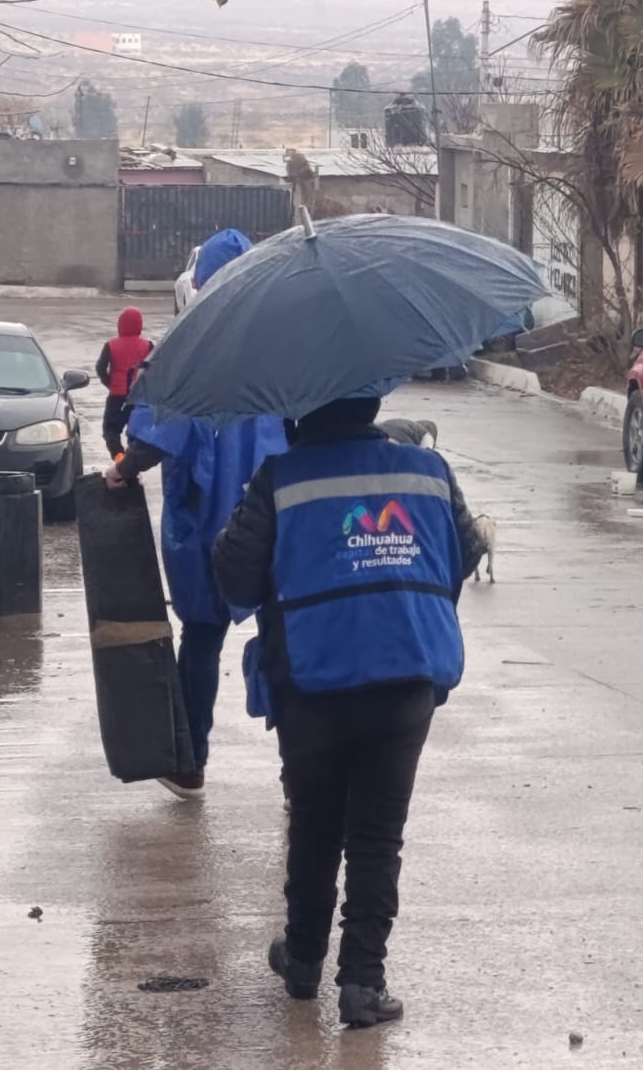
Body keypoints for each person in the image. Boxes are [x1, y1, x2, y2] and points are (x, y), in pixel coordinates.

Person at [211, 397, 473, 1029]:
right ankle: (362, 983)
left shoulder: (280, 479)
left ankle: (303, 961)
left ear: (298, 413)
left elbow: (236, 581)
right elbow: (463, 552)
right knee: (378, 837)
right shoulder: (427, 471)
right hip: (407, 669)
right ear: (373, 400)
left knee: (315, 823)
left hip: (313, 677)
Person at [105, 228, 287, 800]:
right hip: (277, 513)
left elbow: (160, 435)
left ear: (202, 282)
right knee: (285, 638)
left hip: (209, 521)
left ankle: (190, 763)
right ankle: (299, 773)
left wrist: (121, 470)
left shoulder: (190, 349)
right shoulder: (280, 350)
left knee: (203, 637)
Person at [96, 306, 152, 459]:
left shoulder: (111, 345)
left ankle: (119, 456)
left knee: (110, 430)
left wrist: (110, 383)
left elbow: (100, 368)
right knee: (138, 432)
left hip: (117, 396)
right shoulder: (148, 345)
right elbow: (154, 369)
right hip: (139, 398)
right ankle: (133, 460)